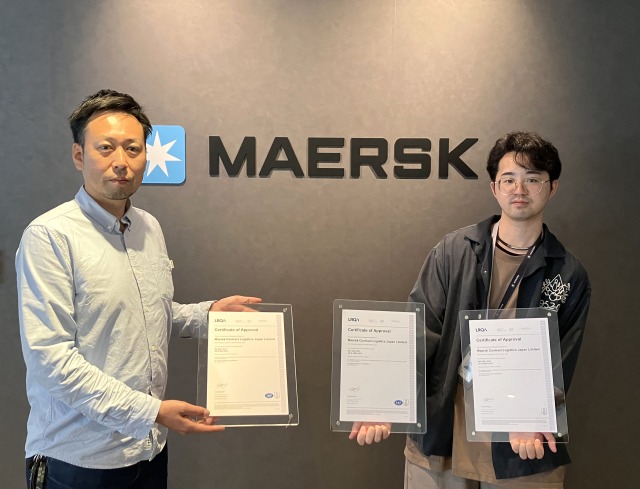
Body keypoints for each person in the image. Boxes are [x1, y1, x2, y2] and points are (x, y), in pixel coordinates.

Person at [17, 89, 262, 489]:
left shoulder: (147, 227)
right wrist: (151, 411)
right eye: (106, 147)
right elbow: (52, 361)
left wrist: (207, 315)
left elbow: (146, 311)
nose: (121, 161)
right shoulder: (50, 236)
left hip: (147, 451)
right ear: (79, 155)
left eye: (133, 148)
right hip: (79, 460)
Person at [351, 131, 591, 489]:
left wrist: (531, 416)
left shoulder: (568, 273)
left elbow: (562, 359)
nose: (519, 190)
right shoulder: (454, 251)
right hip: (444, 434)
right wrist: (381, 401)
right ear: (494, 188)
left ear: (552, 187)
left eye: (532, 179)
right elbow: (418, 331)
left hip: (520, 443)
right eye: (508, 179)